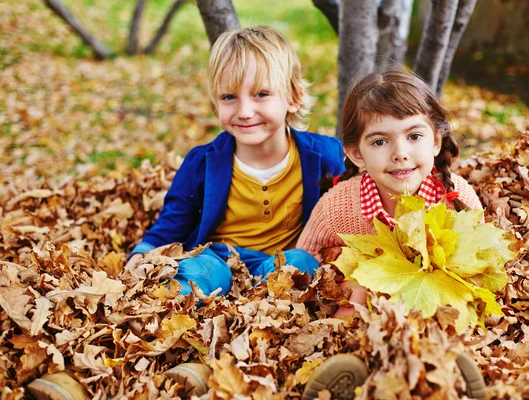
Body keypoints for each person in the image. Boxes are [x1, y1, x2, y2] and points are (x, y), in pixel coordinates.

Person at [26, 25, 344, 400]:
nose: (244, 111)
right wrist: (141, 259)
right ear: (215, 103)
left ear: (293, 96)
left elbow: (345, 213)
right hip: (217, 263)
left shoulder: (325, 156)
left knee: (302, 264)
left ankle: (273, 364)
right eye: (229, 97)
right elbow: (170, 227)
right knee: (197, 273)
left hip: (276, 272)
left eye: (261, 94)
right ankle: (96, 372)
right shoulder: (203, 163)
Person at [296, 69, 486, 400]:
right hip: (360, 312)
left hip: (428, 306)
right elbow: (303, 262)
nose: (399, 153)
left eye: (414, 136)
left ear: (436, 141)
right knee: (359, 286)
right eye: (380, 141)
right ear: (356, 154)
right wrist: (338, 279)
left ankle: (447, 372)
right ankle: (346, 368)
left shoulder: (455, 198)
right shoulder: (339, 206)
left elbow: (482, 258)